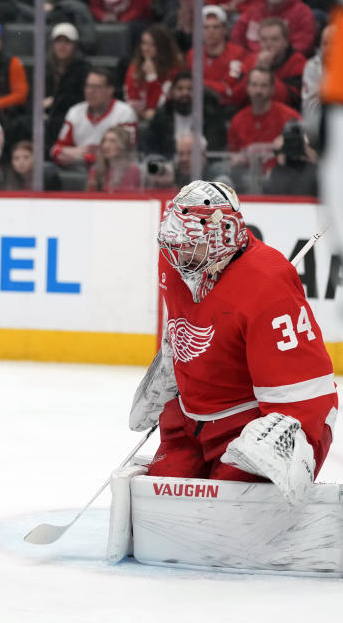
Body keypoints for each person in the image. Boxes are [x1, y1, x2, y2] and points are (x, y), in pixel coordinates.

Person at [129, 180, 336, 506]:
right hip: (189, 424)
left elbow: (310, 389)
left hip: (246, 427)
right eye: (173, 241)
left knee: (228, 509)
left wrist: (288, 437)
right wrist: (171, 365)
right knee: (160, 500)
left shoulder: (268, 284)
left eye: (188, 244)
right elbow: (185, 324)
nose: (176, 251)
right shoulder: (176, 260)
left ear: (221, 236)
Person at [51, 67, 137, 169]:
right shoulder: (75, 112)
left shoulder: (125, 113)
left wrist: (84, 157)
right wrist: (71, 152)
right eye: (87, 86)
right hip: (79, 168)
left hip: (114, 170)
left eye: (96, 87)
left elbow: (124, 152)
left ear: (110, 90)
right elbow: (56, 150)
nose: (90, 91)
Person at [227, 67, 301, 175]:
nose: (258, 91)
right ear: (247, 88)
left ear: (272, 89)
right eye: (254, 85)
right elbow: (231, 156)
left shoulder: (290, 117)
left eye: (264, 85)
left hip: (283, 178)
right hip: (246, 180)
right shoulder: (237, 121)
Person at [142, 72, 228, 157]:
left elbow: (216, 148)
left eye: (190, 89)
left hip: (204, 166)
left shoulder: (210, 115)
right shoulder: (162, 116)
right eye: (180, 89)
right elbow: (150, 147)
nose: (185, 93)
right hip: (169, 165)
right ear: (172, 92)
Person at [232, 17, 307, 110]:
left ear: (286, 42)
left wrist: (264, 71)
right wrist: (257, 69)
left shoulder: (298, 63)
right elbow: (237, 98)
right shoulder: (250, 60)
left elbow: (291, 99)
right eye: (264, 39)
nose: (268, 44)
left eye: (275, 39)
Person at [186, 5, 247, 111]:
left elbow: (229, 88)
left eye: (215, 27)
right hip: (198, 106)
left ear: (224, 30)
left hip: (226, 107)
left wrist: (201, 84)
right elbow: (190, 84)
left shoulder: (237, 53)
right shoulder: (193, 54)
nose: (211, 31)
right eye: (206, 27)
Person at [231, 0, 317, 57]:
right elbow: (237, 36)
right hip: (251, 62)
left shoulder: (302, 13)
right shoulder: (253, 9)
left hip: (286, 64)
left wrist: (277, 58)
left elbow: (303, 44)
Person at [44, 22, 90, 150]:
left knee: (56, 123)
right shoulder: (45, 67)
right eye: (58, 42)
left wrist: (54, 101)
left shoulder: (83, 69)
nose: (62, 46)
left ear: (75, 46)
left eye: (67, 42)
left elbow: (81, 99)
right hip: (45, 113)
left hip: (69, 114)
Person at [123, 23, 183, 122]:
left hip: (165, 119)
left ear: (163, 46)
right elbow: (131, 99)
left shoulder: (174, 70)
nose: (146, 48)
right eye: (144, 43)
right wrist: (142, 113)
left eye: (152, 45)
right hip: (138, 116)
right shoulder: (135, 67)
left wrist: (152, 77)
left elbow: (160, 104)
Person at [85, 125, 140, 192]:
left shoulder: (132, 169)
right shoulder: (96, 169)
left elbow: (126, 198)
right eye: (104, 141)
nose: (106, 146)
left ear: (123, 145)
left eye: (113, 141)